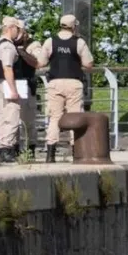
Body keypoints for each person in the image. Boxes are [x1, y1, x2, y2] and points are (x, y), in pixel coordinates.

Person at [38, 14, 94, 162]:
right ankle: (76, 151)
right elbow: (88, 64)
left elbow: (41, 62)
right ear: (74, 26)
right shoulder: (79, 42)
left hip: (55, 82)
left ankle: (50, 154)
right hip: (74, 82)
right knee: (75, 116)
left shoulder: (50, 41)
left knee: (54, 117)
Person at [0, 16, 25, 163]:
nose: (18, 32)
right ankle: (7, 149)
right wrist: (13, 89)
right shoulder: (8, 46)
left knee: (1, 117)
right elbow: (8, 68)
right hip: (7, 83)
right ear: (11, 28)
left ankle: (2, 147)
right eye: (17, 29)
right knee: (11, 116)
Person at [14, 20, 44, 161]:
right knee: (13, 120)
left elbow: (39, 62)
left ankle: (30, 150)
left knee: (28, 120)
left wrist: (23, 53)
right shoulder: (7, 43)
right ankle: (13, 149)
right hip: (12, 84)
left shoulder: (33, 44)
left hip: (26, 84)